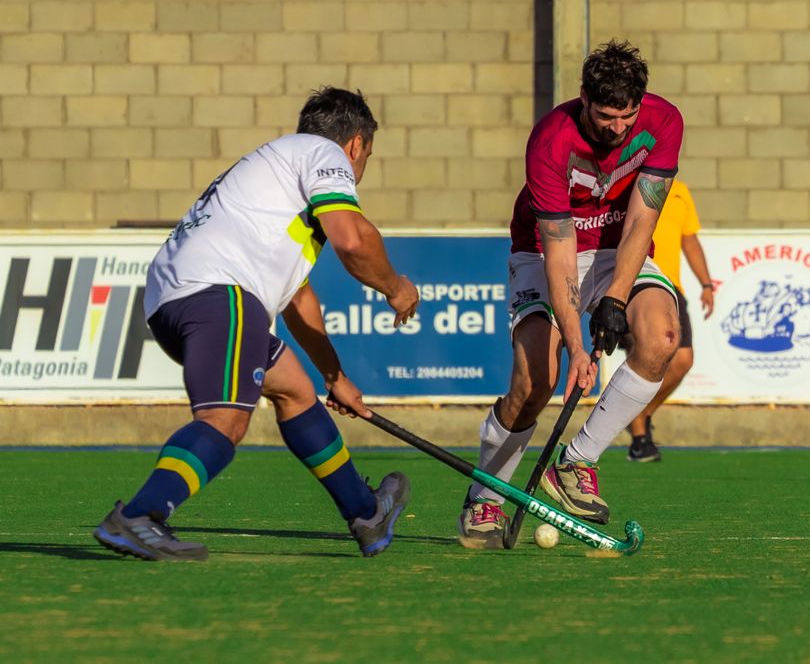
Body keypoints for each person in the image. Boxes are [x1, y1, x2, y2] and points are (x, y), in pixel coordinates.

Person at [94, 86, 419, 561]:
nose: (361, 166)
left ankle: (366, 513)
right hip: (219, 294)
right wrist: (395, 288)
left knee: (295, 391)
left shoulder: (279, 180)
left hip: (183, 299)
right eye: (367, 155)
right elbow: (353, 240)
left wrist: (334, 376)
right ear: (355, 145)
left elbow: (298, 299)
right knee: (225, 421)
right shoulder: (324, 154)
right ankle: (140, 516)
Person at [457, 40, 684, 549]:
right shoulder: (550, 141)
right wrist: (578, 346)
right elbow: (559, 252)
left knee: (663, 337)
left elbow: (643, 220)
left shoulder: (664, 122)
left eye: (626, 117)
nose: (617, 129)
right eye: (605, 116)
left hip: (615, 247)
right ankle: (485, 499)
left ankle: (576, 463)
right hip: (544, 249)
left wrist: (616, 299)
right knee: (537, 380)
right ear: (584, 98)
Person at [626, 178, 714, 461]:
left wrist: (706, 284)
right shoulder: (626, 182)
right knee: (644, 355)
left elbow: (689, 239)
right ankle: (639, 438)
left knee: (683, 359)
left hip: (671, 286)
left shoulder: (680, 190)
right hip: (634, 281)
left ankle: (640, 413)